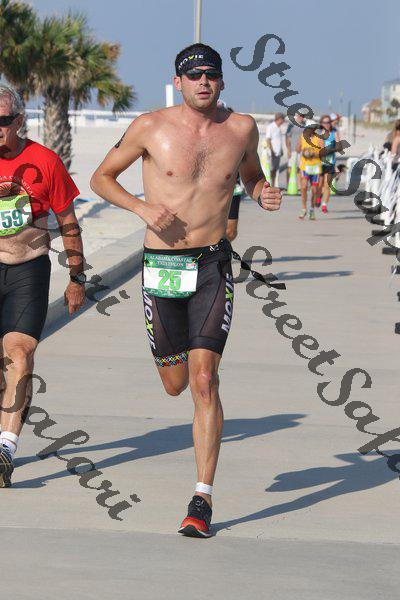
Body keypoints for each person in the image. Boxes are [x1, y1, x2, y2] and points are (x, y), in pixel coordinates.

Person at [90, 43, 282, 538]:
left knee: (204, 380)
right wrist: (141, 208)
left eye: (210, 74)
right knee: (175, 383)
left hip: (213, 264)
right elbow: (100, 178)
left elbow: (250, 175)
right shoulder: (150, 127)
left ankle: (202, 497)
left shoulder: (241, 128)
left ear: (222, 81)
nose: (203, 82)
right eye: (193, 75)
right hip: (162, 267)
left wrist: (261, 192)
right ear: (178, 82)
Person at [0, 85, 86, 487]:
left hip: (28, 270)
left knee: (20, 353)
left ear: (19, 121)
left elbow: (68, 222)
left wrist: (76, 277)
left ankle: (5, 448)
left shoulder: (46, 161)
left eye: (3, 121)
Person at [298, 125, 323, 220]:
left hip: (316, 167)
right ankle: (304, 208)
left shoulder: (319, 138)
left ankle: (312, 209)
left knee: (314, 190)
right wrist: (304, 151)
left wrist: (313, 153)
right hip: (305, 166)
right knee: (304, 187)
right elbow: (298, 149)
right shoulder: (302, 137)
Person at [318, 114, 341, 213]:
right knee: (319, 185)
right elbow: (319, 147)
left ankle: (324, 205)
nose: (326, 124)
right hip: (320, 163)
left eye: (328, 122)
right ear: (321, 123)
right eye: (324, 122)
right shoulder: (319, 133)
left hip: (330, 162)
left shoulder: (334, 132)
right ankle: (319, 196)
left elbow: (339, 146)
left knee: (327, 185)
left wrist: (332, 149)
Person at [285, 112, 305, 190]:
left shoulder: (304, 126)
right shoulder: (291, 125)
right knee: (290, 167)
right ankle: (288, 185)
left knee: (299, 168)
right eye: (300, 116)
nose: (301, 117)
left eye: (303, 116)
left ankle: (299, 186)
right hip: (293, 150)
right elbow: (287, 138)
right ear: (296, 116)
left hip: (301, 151)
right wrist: (288, 150)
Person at [266, 112, 285, 187]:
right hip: (273, 153)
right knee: (271, 170)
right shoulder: (271, 127)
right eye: (283, 119)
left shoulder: (278, 128)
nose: (283, 121)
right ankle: (269, 184)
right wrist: (272, 151)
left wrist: (281, 150)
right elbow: (268, 140)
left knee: (275, 170)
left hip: (278, 153)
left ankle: (273, 185)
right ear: (279, 119)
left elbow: (278, 140)